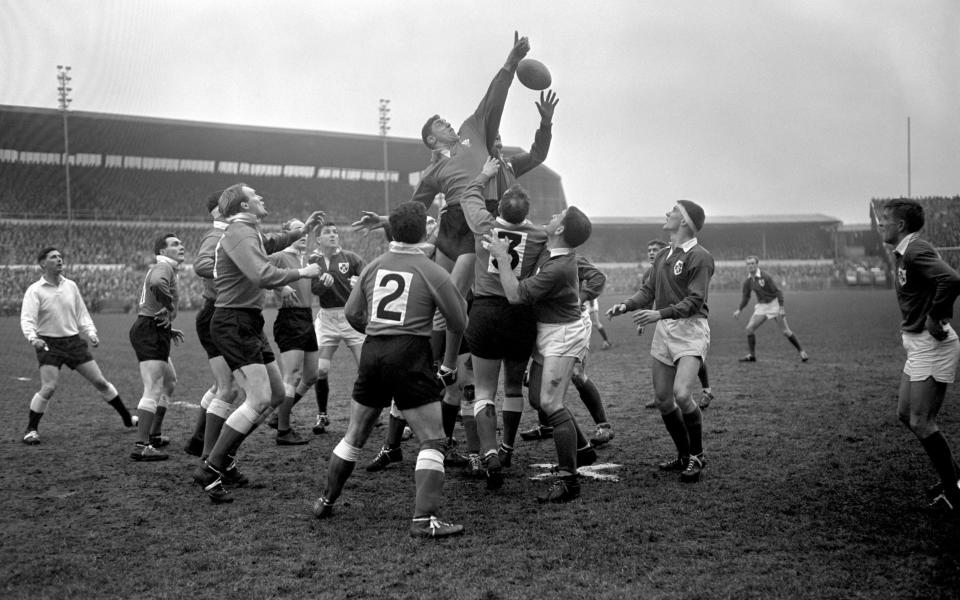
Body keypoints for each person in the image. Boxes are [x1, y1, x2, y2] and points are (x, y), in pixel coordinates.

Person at [313, 201, 469, 539]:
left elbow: (353, 313)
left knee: (354, 435)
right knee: (433, 440)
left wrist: (376, 328)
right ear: (424, 232)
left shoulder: (373, 266)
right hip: (410, 353)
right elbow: (459, 321)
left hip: (373, 351)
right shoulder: (432, 270)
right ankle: (423, 519)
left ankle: (326, 499)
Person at [412, 31, 530, 390]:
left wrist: (509, 65)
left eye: (446, 121)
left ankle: (453, 365)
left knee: (463, 293)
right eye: (439, 124)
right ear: (432, 139)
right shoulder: (433, 170)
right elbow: (415, 207)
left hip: (479, 215)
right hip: (451, 223)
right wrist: (387, 220)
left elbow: (492, 99)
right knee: (440, 299)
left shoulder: (470, 129)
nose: (448, 122)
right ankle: (435, 365)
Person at [192, 183, 323, 503]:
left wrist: (301, 231)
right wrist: (303, 271)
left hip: (247, 321)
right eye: (256, 196)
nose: (262, 198)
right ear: (244, 206)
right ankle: (211, 466)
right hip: (232, 322)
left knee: (277, 394)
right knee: (259, 396)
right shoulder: (238, 231)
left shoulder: (248, 231)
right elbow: (261, 274)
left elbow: (271, 242)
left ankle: (222, 460)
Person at [485, 205, 593, 503]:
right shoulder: (552, 250)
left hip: (563, 334)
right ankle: (583, 449)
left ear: (560, 230)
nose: (552, 215)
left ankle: (569, 481)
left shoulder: (559, 267)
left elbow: (515, 295)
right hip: (548, 330)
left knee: (550, 402)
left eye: (558, 215)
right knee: (537, 399)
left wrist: (502, 258)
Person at [607, 200, 714, 483]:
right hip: (665, 329)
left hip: (691, 329)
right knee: (664, 401)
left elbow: (695, 301)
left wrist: (659, 313)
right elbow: (648, 290)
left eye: (673, 211)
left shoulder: (700, 256)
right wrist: (626, 306)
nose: (668, 214)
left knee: (682, 395)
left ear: (685, 222)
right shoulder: (663, 254)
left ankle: (697, 455)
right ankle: (683, 455)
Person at [459, 157, 549, 488]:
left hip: (485, 311)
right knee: (513, 386)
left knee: (483, 388)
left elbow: (469, 195)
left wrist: (484, 173)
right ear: (526, 212)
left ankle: (489, 452)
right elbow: (542, 269)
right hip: (519, 313)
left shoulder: (484, 224)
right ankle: (508, 447)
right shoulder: (539, 236)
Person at [878, 198, 960, 511]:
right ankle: (955, 478)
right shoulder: (903, 252)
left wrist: (934, 315)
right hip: (917, 344)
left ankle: (954, 494)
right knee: (905, 414)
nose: (880, 224)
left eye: (885, 219)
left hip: (932, 343)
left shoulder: (915, 249)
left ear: (900, 225)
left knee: (922, 421)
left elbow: (951, 279)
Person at [20, 246, 134, 445]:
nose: (59, 260)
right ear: (42, 263)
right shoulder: (34, 291)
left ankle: (127, 418)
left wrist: (91, 333)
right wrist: (33, 338)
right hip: (49, 344)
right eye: (54, 257)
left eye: (60, 257)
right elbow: (27, 319)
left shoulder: (71, 286)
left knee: (100, 382)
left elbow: (81, 314)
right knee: (49, 387)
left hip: (73, 342)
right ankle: (31, 429)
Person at [183, 191, 240, 459]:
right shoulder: (218, 236)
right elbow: (202, 264)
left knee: (222, 386)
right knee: (229, 389)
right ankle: (210, 456)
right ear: (220, 209)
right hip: (216, 313)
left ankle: (198, 442)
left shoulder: (230, 234)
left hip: (217, 312)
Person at [639, 239, 715, 410]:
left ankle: (706, 390)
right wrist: (642, 318)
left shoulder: (684, 263)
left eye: (655, 249)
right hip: (666, 322)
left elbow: (694, 297)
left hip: (687, 320)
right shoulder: (649, 274)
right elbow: (649, 295)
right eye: (649, 250)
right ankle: (662, 397)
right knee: (664, 359)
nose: (652, 253)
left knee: (693, 356)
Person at [129, 233, 186, 461]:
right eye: (174, 244)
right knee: (153, 387)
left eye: (180, 243)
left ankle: (154, 435)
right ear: (162, 252)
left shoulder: (165, 268)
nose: (180, 246)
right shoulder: (164, 268)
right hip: (149, 330)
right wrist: (169, 305)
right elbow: (156, 284)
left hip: (154, 328)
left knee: (170, 381)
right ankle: (141, 444)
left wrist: (168, 327)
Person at [266, 218, 322, 445]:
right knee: (291, 376)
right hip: (290, 319)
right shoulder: (279, 256)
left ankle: (279, 414)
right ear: (286, 233)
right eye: (297, 229)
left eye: (304, 230)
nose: (302, 233)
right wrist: (281, 285)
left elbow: (311, 289)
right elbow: (257, 272)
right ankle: (283, 430)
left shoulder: (306, 260)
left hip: (306, 318)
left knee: (311, 375)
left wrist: (323, 282)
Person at [309, 222, 366, 434]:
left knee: (365, 368)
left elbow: (369, 277)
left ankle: (370, 412)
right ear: (318, 239)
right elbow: (314, 289)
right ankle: (322, 415)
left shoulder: (351, 258)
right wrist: (322, 285)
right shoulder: (313, 262)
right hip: (327, 320)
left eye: (335, 232)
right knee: (320, 369)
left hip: (351, 317)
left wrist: (359, 282)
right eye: (327, 232)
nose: (333, 235)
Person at [485, 89, 558, 215]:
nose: (497, 133)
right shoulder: (476, 168)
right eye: (492, 131)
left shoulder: (509, 165)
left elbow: (538, 155)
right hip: (487, 228)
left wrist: (545, 124)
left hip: (509, 225)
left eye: (498, 130)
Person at [734, 255, 809, 363]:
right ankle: (752, 356)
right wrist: (739, 309)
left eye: (752, 263)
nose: (750, 266)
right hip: (762, 306)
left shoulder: (765, 277)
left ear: (757, 265)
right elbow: (746, 298)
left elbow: (778, 292)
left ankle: (802, 352)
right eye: (748, 264)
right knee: (749, 329)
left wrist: (781, 307)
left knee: (785, 331)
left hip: (774, 305)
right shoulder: (748, 281)